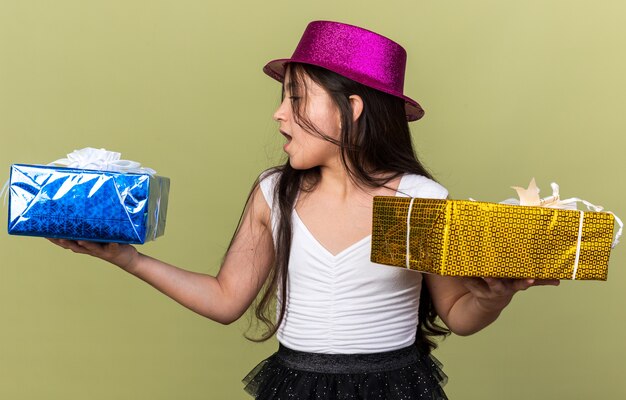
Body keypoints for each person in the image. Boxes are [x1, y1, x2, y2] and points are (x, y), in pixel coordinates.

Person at [49, 20, 559, 400]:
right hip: (295, 385)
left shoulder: (419, 199)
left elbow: (459, 315)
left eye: (296, 98)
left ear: (352, 110)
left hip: (397, 387)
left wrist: (493, 297)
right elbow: (227, 300)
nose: (278, 112)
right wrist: (126, 259)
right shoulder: (274, 192)